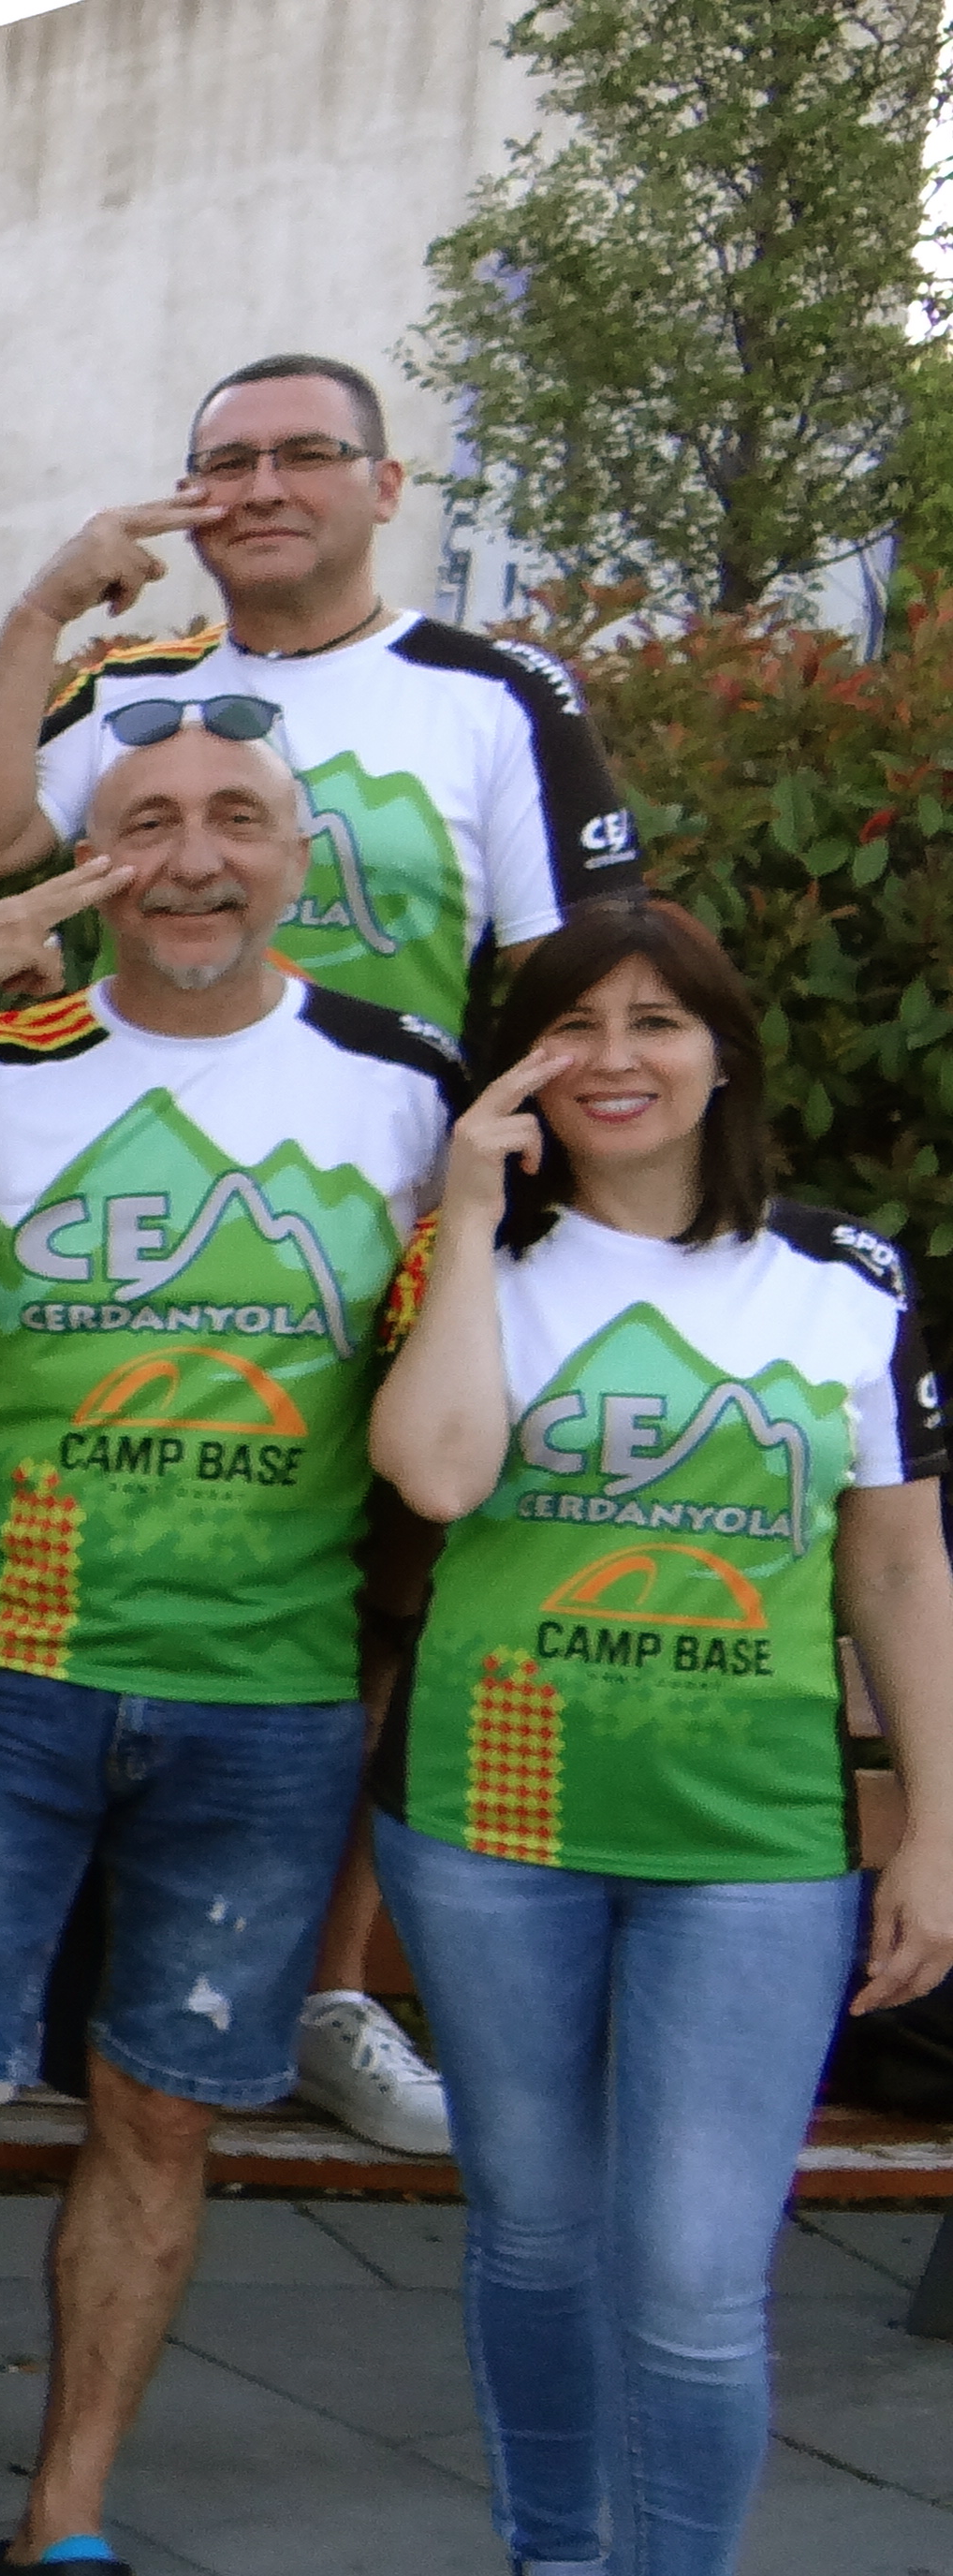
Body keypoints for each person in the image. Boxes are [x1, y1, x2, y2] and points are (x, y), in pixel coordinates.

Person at [0, 702, 462, 2576]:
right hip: (5, 1676)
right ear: (94, 859)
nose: (194, 854)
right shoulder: (8, 1057)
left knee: (162, 2119)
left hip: (273, 1698)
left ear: (302, 858)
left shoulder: (410, 1083)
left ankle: (63, 2518)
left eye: (240, 816)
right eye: (144, 820)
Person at [0, 355, 650, 2152]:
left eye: (303, 455)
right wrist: (47, 596)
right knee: (90, 1536)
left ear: (385, 484)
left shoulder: (494, 694)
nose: (260, 489)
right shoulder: (136, 689)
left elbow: (585, 977)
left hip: (387, 1209)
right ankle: (39, 1975)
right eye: (221, 463)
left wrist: (518, 1210)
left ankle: (318, 1986)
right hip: (123, 1204)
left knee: (370, 1601)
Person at [363, 897, 953, 2576]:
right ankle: (554, 2554)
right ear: (521, 1067)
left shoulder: (841, 1272)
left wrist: (936, 1832)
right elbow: (440, 1476)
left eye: (657, 1022)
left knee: (696, 2277)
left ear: (723, 1054)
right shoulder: (471, 1255)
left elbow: (900, 1562)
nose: (614, 1058)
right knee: (538, 2241)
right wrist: (470, 1213)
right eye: (573, 1027)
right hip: (491, 1821)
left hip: (753, 1840)